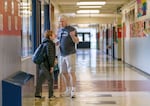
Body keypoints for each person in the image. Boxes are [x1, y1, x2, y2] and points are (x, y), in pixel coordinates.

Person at [57, 15, 79, 98]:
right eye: (60, 21)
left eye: (62, 21)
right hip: (61, 55)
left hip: (70, 54)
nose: (61, 23)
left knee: (71, 72)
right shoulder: (59, 30)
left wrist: (73, 36)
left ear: (66, 21)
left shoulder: (72, 29)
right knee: (63, 72)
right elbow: (59, 41)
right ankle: (68, 89)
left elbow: (77, 41)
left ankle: (73, 90)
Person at [35, 30, 56, 100]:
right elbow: (50, 56)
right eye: (53, 34)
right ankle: (51, 95)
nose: (55, 35)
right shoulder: (49, 44)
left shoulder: (45, 43)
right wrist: (52, 66)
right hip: (45, 65)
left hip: (42, 64)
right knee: (50, 79)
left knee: (41, 79)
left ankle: (37, 95)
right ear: (50, 36)